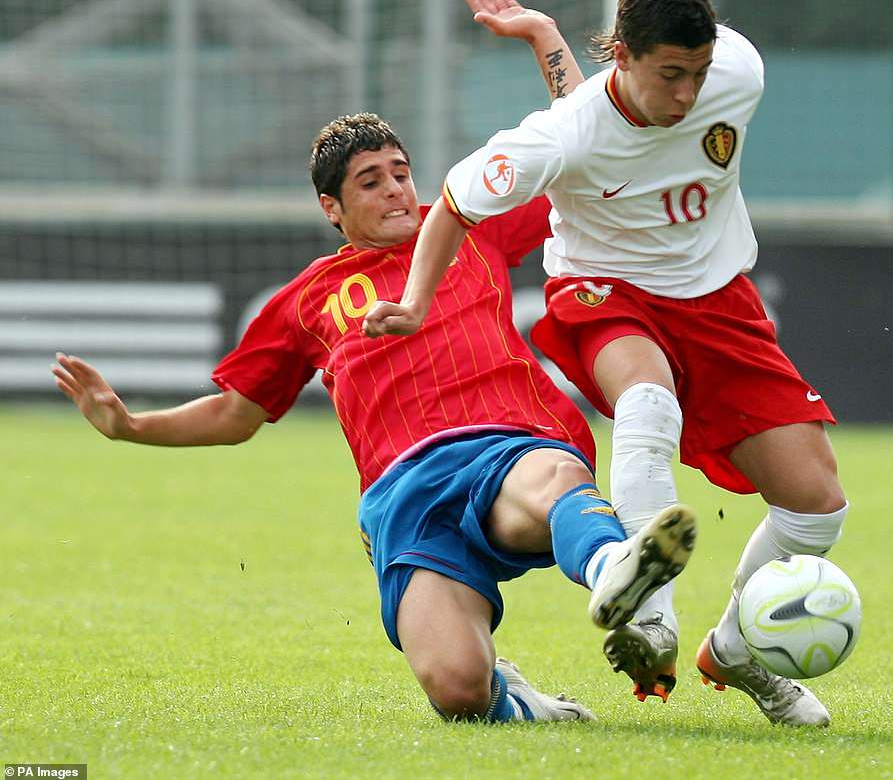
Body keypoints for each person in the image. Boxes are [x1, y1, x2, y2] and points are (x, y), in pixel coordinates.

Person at [51, 111, 697, 724]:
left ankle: (616, 569)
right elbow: (234, 413)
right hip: (404, 497)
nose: (395, 189)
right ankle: (521, 700)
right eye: (370, 181)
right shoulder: (307, 299)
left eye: (400, 172)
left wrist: (551, 53)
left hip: (506, 445)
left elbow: (580, 156)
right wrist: (131, 426)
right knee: (458, 689)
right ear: (331, 208)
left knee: (552, 476)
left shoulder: (469, 223)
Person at [363, 0, 849, 727]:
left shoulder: (739, 71)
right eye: (670, 74)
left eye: (698, 73)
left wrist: (544, 36)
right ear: (622, 55)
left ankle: (737, 648)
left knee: (817, 507)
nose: (687, 94)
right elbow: (455, 203)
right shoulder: (560, 135)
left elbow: (604, 110)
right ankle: (651, 617)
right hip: (604, 291)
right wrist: (418, 301)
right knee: (647, 403)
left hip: (718, 302)